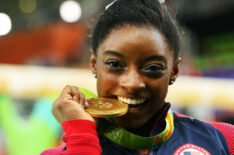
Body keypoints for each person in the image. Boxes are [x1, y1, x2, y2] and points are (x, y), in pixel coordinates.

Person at [41, 0, 234, 154]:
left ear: (174, 71)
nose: (133, 83)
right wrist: (82, 140)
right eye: (114, 65)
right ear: (94, 65)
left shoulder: (222, 139)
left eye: (152, 68)